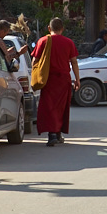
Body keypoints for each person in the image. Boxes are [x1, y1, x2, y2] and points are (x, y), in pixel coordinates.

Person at [32, 17, 80, 147]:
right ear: (62, 29)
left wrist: (35, 76)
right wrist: (77, 79)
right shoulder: (68, 42)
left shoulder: (43, 41)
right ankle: (57, 133)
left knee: (49, 106)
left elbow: (35, 61)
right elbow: (74, 62)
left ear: (49, 28)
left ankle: (53, 134)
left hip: (48, 78)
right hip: (64, 79)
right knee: (61, 106)